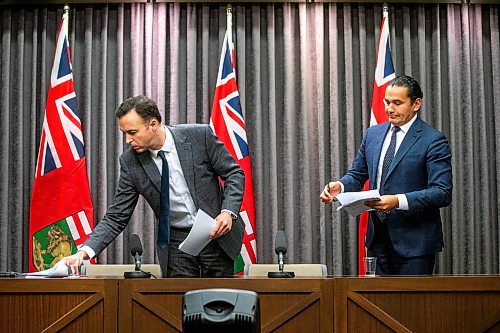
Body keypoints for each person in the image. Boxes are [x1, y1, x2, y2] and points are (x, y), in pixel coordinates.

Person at [63, 95, 245, 277]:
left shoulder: (199, 136)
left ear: (153, 125)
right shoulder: (130, 162)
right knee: (177, 302)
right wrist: (83, 253)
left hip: (215, 232)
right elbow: (117, 216)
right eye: (124, 133)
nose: (127, 140)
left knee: (220, 300)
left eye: (133, 133)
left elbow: (234, 173)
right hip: (177, 242)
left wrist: (228, 212)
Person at [320, 76, 452, 275]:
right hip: (377, 242)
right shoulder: (372, 134)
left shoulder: (433, 140)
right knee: (374, 304)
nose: (390, 109)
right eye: (387, 102)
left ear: (416, 104)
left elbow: (441, 192)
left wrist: (397, 201)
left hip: (414, 246)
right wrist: (340, 186)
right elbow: (357, 175)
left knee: (410, 305)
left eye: (397, 103)